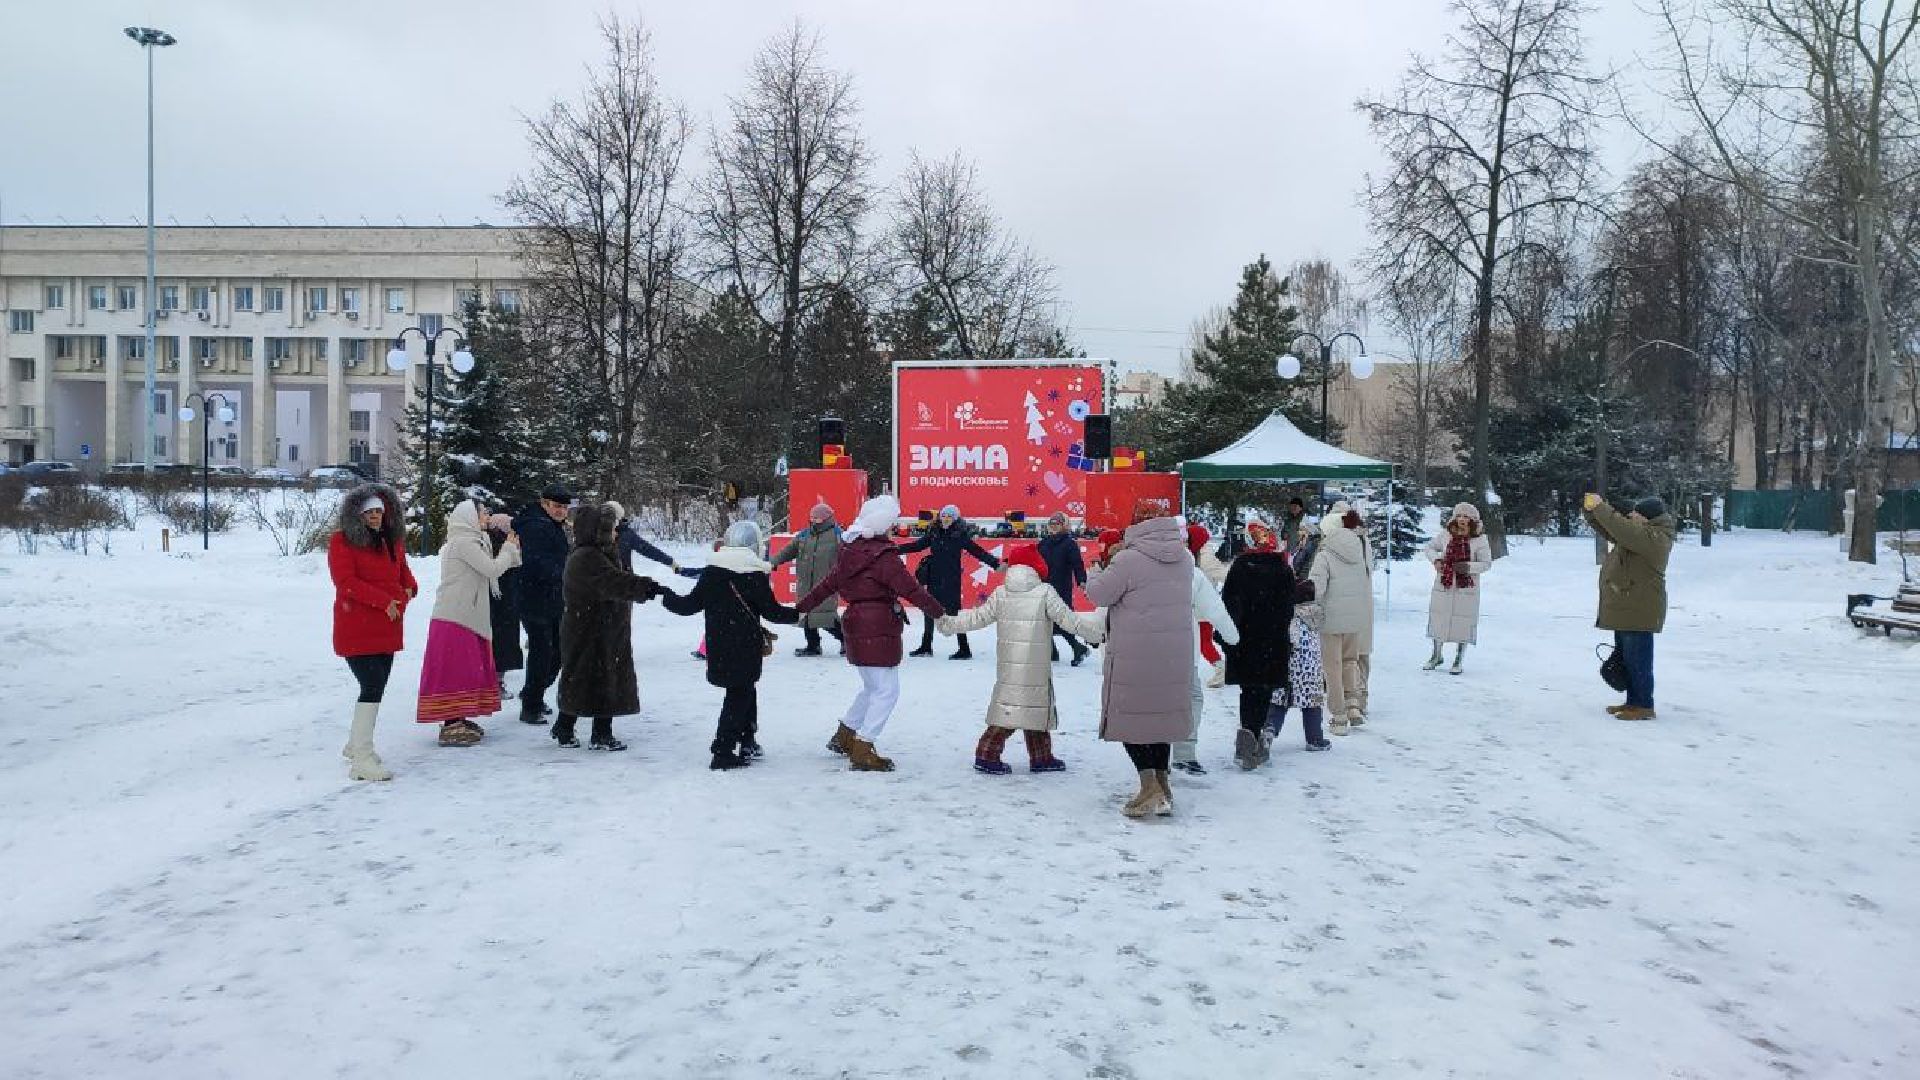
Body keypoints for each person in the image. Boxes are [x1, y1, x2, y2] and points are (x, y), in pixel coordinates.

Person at [798, 495, 947, 771]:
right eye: (891, 524)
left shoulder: (850, 551)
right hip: (877, 625)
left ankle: (845, 736)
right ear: (882, 525)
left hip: (856, 623)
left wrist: (800, 608)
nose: (893, 529)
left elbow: (827, 585)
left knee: (873, 688)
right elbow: (911, 589)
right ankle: (863, 748)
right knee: (887, 691)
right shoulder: (884, 557)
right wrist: (940, 614)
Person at [936, 544, 1106, 775]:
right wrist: (1097, 634)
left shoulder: (1001, 593)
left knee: (1016, 704)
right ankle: (988, 754)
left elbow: (976, 618)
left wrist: (948, 624)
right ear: (1037, 566)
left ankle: (1040, 756)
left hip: (1009, 664)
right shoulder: (1045, 592)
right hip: (1035, 665)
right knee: (1029, 705)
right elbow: (1070, 621)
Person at [660, 520, 800, 769]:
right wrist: (800, 613)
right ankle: (723, 751)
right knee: (739, 693)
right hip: (745, 646)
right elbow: (773, 612)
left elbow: (688, 606)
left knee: (744, 689)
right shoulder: (753, 575)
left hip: (719, 644)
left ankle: (748, 740)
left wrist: (665, 595)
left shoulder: (712, 573)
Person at [1086, 499, 1195, 819]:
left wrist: (1097, 570)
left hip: (1136, 651)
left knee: (1130, 719)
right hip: (1173, 651)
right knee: (1159, 720)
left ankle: (1149, 788)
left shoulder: (1128, 559)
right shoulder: (1185, 557)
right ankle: (1163, 784)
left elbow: (1099, 594)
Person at [553, 501, 661, 751]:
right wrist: (645, 587)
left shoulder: (592, 553)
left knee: (582, 677)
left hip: (594, 628)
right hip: (594, 630)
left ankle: (565, 727)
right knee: (601, 679)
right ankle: (600, 735)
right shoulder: (588, 557)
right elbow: (613, 582)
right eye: (612, 529)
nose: (615, 533)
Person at [328, 483, 417, 781]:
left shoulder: (392, 541)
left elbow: (405, 576)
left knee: (377, 686)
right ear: (357, 514)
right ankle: (362, 759)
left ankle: (356, 745)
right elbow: (345, 582)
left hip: (388, 626)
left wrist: (407, 592)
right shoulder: (342, 541)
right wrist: (384, 601)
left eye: (379, 510)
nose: (376, 516)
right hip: (357, 626)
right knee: (372, 685)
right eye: (369, 512)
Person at [416, 500, 522, 746]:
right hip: (456, 615)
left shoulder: (476, 541)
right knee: (455, 669)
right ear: (469, 517)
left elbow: (497, 566)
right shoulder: (463, 543)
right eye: (483, 512)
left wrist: (511, 551)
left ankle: (459, 717)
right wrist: (508, 549)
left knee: (466, 669)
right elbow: (492, 569)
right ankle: (451, 722)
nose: (487, 516)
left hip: (467, 615)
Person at [1583, 493, 1674, 720]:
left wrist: (1601, 507)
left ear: (1648, 518)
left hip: (1639, 608)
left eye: (1636, 513)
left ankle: (1643, 705)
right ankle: (1633, 702)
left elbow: (1621, 528)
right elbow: (1611, 530)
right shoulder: (1641, 535)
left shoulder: (1655, 537)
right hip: (1629, 606)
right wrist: (1592, 512)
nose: (1631, 515)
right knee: (1628, 659)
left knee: (1638, 661)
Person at [1220, 518, 1296, 770]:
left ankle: (1247, 740)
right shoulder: (1282, 568)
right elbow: (1289, 608)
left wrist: (1228, 636)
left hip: (1245, 640)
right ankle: (1255, 740)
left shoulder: (1241, 566)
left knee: (1248, 691)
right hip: (1273, 641)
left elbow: (1229, 604)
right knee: (1264, 691)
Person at [899, 504, 1001, 659]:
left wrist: (995, 564)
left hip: (951, 580)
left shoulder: (959, 535)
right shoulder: (934, 533)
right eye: (944, 515)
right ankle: (926, 646)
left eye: (950, 516)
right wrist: (896, 549)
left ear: (955, 519)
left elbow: (978, 552)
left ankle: (964, 649)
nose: (946, 519)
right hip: (934, 578)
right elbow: (917, 546)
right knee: (929, 610)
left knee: (954, 614)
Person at [1174, 538, 1239, 775]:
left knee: (1154, 703)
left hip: (1147, 653)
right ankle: (1183, 754)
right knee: (1191, 699)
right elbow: (1215, 609)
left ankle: (1153, 758)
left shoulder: (1137, 567)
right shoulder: (1190, 571)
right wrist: (1232, 637)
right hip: (1182, 651)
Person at [1309, 501, 1374, 736]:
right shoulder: (1359, 550)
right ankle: (1353, 705)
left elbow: (1316, 588)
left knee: (1332, 667)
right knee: (1350, 661)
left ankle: (1338, 716)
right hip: (1355, 618)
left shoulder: (1324, 555)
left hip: (1331, 619)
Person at [512, 485, 573, 725]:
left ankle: (532, 694)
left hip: (551, 598)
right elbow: (536, 563)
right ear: (544, 503)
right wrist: (566, 574)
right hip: (534, 598)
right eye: (557, 506)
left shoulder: (550, 525)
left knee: (555, 650)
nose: (561, 511)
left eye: (565, 507)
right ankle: (531, 705)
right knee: (544, 651)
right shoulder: (536, 526)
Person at [1423, 502, 1493, 674]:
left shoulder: (1480, 540)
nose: (1461, 519)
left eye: (1466, 516)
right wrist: (1436, 560)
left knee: (1463, 622)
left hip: (1466, 588)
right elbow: (1429, 548)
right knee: (1439, 619)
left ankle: (1458, 659)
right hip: (1444, 584)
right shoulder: (1446, 534)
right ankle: (1436, 655)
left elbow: (1486, 563)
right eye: (1459, 516)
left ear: (1473, 520)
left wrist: (1468, 567)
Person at [1267, 574, 1332, 753]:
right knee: (1312, 705)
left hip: (1291, 670)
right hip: (1312, 672)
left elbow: (1290, 642)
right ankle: (1315, 739)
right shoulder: (1315, 615)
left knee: (1280, 703)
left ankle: (1269, 730)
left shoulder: (1292, 618)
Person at [771, 502, 845, 657]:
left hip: (825, 584)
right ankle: (813, 645)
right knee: (806, 614)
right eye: (811, 517)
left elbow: (847, 556)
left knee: (826, 616)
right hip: (805, 583)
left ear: (826, 518)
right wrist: (773, 562)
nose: (812, 520)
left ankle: (847, 641)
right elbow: (788, 551)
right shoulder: (804, 535)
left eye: (816, 517)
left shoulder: (837, 535)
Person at [1036, 511, 1091, 665]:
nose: (1053, 527)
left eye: (1057, 524)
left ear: (1064, 526)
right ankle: (1052, 652)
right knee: (1043, 619)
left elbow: (1078, 564)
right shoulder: (1043, 543)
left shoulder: (1069, 543)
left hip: (1062, 588)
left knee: (1062, 621)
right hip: (1044, 586)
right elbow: (1034, 559)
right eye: (1051, 524)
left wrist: (1082, 580)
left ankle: (1078, 648)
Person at [483, 503, 523, 694]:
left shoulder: (489, 544)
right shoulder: (504, 546)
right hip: (505, 601)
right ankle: (497, 680)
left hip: (497, 601)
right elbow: (502, 568)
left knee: (498, 639)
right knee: (503, 640)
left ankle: (494, 677)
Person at [1188, 523, 1229, 688]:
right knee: (1200, 643)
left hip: (1202, 609)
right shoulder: (1196, 554)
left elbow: (1224, 575)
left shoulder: (1205, 558)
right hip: (1197, 608)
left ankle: (1221, 669)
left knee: (1204, 643)